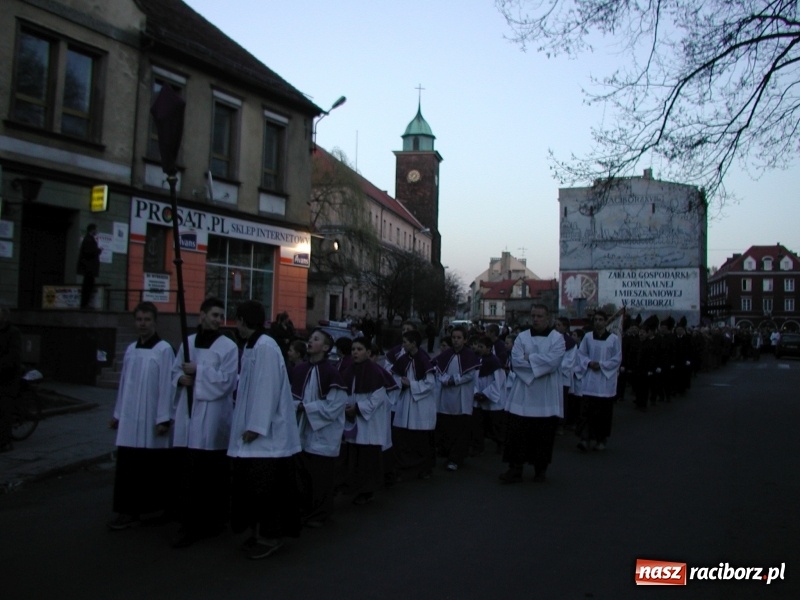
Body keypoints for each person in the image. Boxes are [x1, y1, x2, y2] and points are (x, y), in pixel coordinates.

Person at [228, 300, 302, 560]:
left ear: (242, 320)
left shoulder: (266, 347)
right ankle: (257, 532)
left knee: (267, 489)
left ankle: (271, 536)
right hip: (253, 437)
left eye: (236, 318)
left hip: (268, 438)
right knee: (253, 489)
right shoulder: (252, 345)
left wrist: (255, 426)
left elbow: (267, 388)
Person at [171, 297, 238, 547]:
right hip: (189, 415)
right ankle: (187, 522)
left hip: (212, 418)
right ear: (201, 316)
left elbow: (227, 382)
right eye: (214, 315)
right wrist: (180, 379)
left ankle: (212, 521)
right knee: (188, 473)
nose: (218, 320)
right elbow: (175, 369)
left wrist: (199, 372)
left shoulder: (227, 346)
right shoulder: (188, 343)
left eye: (221, 316)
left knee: (209, 474)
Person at [108, 302, 175, 530]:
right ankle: (128, 511)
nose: (142, 324)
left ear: (155, 322)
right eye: (139, 320)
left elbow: (168, 385)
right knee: (128, 466)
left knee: (150, 466)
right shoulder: (131, 350)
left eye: (147, 320)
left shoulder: (164, 349)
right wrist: (117, 414)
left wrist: (164, 418)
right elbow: (124, 383)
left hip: (150, 418)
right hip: (130, 416)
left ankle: (152, 510)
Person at [500, 304, 565, 483]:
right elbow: (516, 361)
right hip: (523, 394)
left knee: (542, 435)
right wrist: (537, 363)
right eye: (533, 316)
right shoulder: (522, 337)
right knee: (517, 433)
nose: (536, 319)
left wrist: (530, 359)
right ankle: (515, 468)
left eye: (540, 316)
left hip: (545, 394)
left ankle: (540, 469)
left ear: (548, 318)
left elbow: (554, 362)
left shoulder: (557, 339)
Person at [290, 328, 348, 527]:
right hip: (302, 430)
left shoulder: (331, 373)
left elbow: (336, 404)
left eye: (315, 339)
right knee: (303, 475)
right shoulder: (299, 369)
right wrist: (296, 406)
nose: (310, 342)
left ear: (325, 347)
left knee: (321, 477)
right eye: (310, 338)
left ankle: (320, 514)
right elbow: (290, 398)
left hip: (323, 432)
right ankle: (303, 509)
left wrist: (306, 408)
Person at [340, 337, 396, 505]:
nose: (355, 352)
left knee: (367, 459)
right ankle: (354, 486)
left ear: (368, 352)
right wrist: (346, 407)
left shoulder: (376, 372)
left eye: (359, 349)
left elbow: (377, 398)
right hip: (353, 418)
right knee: (354, 456)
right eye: (353, 349)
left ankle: (367, 491)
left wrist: (358, 408)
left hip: (369, 421)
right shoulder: (348, 370)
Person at [390, 330, 437, 480]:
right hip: (405, 400)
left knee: (420, 437)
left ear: (414, 343)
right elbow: (395, 376)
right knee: (403, 436)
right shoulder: (403, 359)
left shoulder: (423, 358)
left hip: (420, 402)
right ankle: (405, 466)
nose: (403, 345)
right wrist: (401, 384)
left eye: (405, 342)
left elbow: (430, 383)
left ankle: (423, 467)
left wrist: (412, 384)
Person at [434, 325, 480, 471]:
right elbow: (438, 371)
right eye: (454, 338)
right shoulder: (446, 354)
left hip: (461, 396)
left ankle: (457, 458)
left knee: (460, 430)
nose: (455, 341)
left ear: (465, 339)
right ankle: (448, 454)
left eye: (459, 338)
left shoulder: (469, 355)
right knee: (448, 428)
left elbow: (470, 374)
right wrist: (445, 379)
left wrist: (454, 380)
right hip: (447, 398)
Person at [575, 310, 622, 452]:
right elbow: (581, 354)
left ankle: (601, 439)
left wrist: (601, 365)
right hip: (590, 380)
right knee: (586, 412)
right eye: (595, 319)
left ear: (606, 321)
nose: (598, 322)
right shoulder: (588, 337)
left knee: (603, 414)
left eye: (601, 319)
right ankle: (585, 439)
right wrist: (589, 363)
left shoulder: (613, 339)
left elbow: (617, 359)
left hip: (605, 382)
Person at [471, 336, 507, 455]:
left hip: (492, 399)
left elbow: (498, 382)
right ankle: (478, 445)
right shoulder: (477, 360)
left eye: (482, 347)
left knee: (495, 424)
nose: (479, 349)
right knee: (478, 424)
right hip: (478, 396)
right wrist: (476, 392)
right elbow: (473, 379)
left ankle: (500, 443)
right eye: (478, 346)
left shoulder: (495, 362)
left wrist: (486, 394)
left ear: (489, 348)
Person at [0, 306, 22, 453]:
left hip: (7, 377)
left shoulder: (13, 333)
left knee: (4, 409)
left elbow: (13, 357)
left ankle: (5, 442)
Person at [77, 224, 102, 309]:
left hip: (88, 269)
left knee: (88, 286)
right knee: (88, 287)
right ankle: (85, 304)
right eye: (96, 229)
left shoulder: (88, 239)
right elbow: (89, 253)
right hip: (89, 269)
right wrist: (98, 251)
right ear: (92, 230)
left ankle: (85, 304)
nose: (97, 231)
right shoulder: (88, 239)